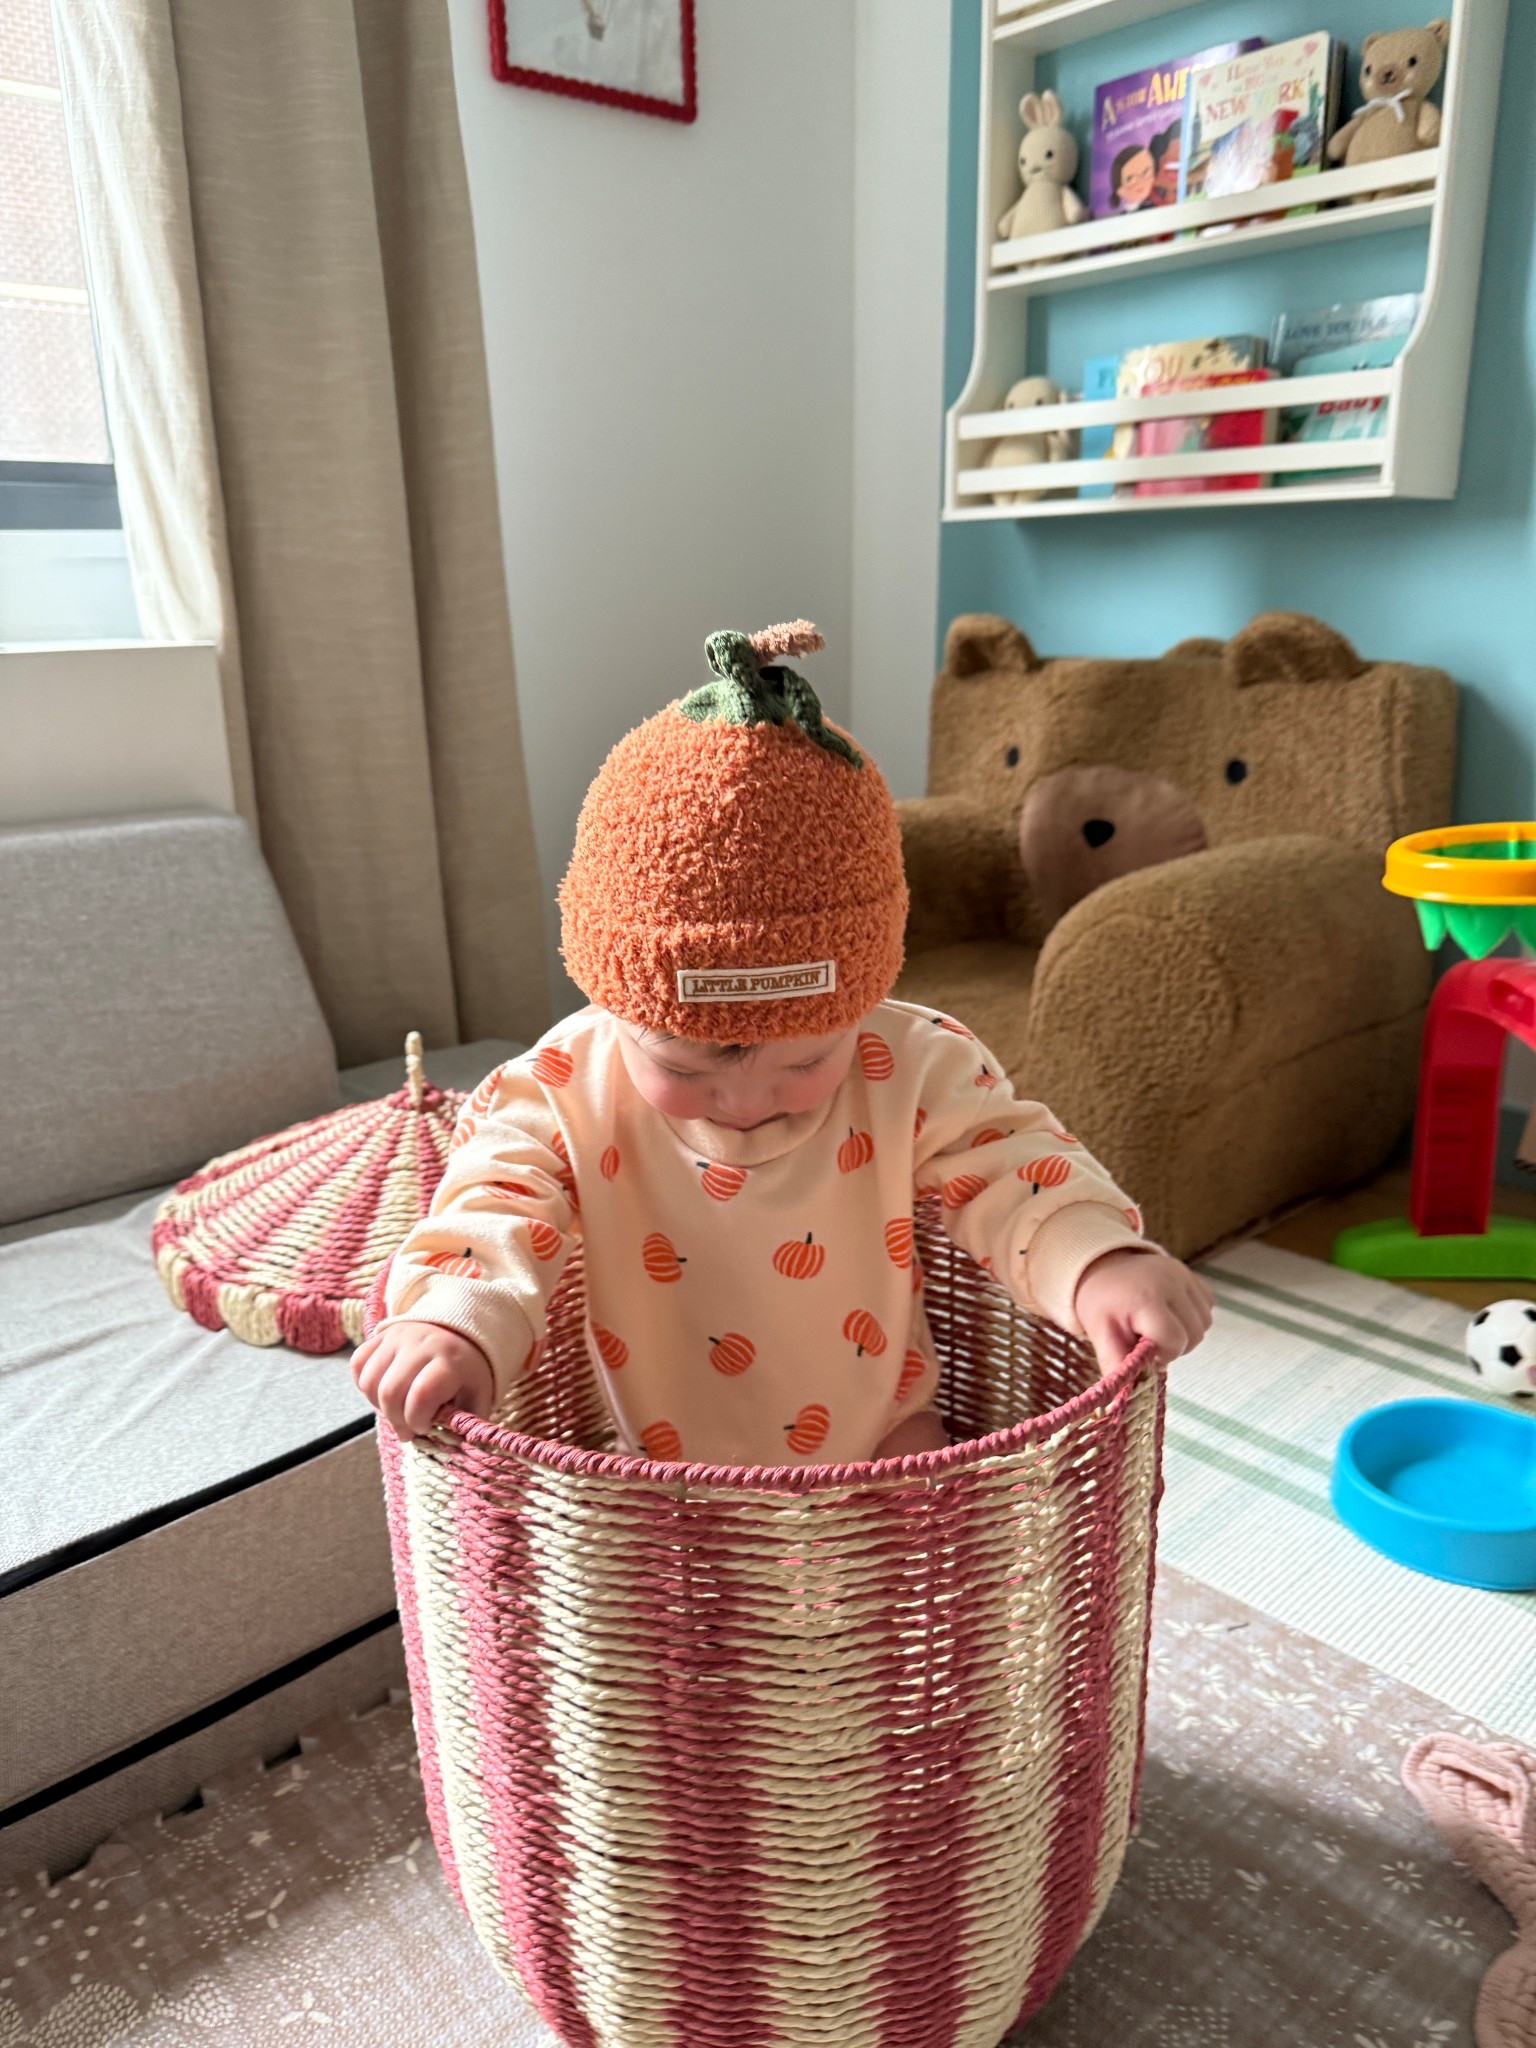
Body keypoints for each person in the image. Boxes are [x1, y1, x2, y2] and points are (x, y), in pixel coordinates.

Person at [353, 624, 1211, 1464]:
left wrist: (1098, 1261)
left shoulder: (909, 1064)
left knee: (914, 1585)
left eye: (806, 1061)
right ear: (616, 1005)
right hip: (660, 1462)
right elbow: (494, 1208)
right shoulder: (565, 1083)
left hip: (887, 1432)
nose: (748, 1100)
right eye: (685, 1067)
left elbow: (1017, 1169)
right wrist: (454, 1320)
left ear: (863, 1001)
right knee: (677, 1609)